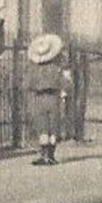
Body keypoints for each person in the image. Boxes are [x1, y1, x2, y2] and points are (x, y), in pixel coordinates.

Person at [24, 33, 73, 165]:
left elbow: (27, 84)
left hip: (39, 98)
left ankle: (44, 154)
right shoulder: (56, 67)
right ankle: (51, 156)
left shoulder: (34, 68)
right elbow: (66, 83)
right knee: (53, 125)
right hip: (54, 97)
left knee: (42, 126)